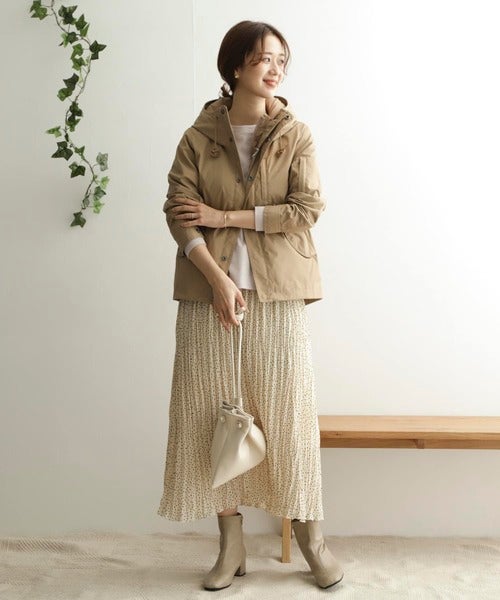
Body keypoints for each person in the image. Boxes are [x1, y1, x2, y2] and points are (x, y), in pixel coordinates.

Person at [157, 20, 344, 592]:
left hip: (278, 293)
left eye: (281, 60)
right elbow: (177, 212)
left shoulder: (295, 134)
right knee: (212, 414)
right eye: (264, 58)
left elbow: (305, 209)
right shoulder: (198, 137)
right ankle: (230, 544)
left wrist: (223, 217)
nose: (275, 69)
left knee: (289, 415)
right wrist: (216, 279)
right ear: (236, 65)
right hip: (208, 295)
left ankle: (312, 540)